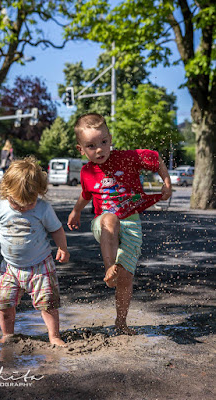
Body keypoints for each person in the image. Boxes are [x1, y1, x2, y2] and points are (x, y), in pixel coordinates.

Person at [67, 113, 172, 334]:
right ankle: (109, 269)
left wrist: (167, 182)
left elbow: (155, 158)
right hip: (103, 223)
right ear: (81, 150)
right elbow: (86, 194)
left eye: (104, 142)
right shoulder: (86, 171)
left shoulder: (127, 157)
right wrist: (76, 211)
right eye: (91, 146)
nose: (99, 149)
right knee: (110, 218)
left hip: (132, 223)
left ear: (111, 138)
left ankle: (121, 322)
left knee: (126, 278)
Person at [0, 156, 70, 346]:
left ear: (39, 193)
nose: (24, 207)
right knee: (5, 305)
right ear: (7, 191)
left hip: (40, 266)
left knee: (48, 304)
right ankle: (7, 334)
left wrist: (62, 248)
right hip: (10, 268)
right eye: (18, 203)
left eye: (29, 203)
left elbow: (56, 229)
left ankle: (54, 336)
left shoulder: (43, 208)